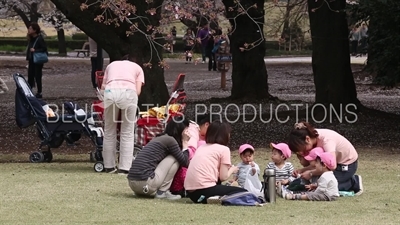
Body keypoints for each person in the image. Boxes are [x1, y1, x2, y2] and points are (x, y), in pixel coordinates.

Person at [287, 122, 363, 195]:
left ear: (307, 139)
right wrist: (302, 170)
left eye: (303, 149)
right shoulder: (311, 137)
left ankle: (353, 182)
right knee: (307, 184)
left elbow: (331, 166)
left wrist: (311, 173)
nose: (302, 153)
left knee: (327, 186)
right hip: (330, 164)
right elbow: (319, 164)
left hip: (346, 164)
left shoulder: (327, 141)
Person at [100, 54, 145, 174]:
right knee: (127, 131)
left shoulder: (111, 65)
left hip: (110, 93)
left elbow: (103, 87)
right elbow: (138, 90)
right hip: (129, 93)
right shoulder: (138, 68)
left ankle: (109, 166)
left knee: (109, 130)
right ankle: (124, 168)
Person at [184, 121, 248, 204]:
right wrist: (232, 169)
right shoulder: (224, 149)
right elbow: (223, 177)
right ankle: (216, 197)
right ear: (225, 135)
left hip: (192, 194)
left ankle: (215, 197)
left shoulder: (201, 147)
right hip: (204, 190)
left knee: (223, 188)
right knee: (243, 192)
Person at [127, 117, 190, 200]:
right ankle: (162, 192)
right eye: (187, 130)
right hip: (145, 184)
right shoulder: (170, 141)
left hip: (132, 184)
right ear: (180, 131)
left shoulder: (160, 138)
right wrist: (185, 143)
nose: (188, 133)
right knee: (175, 158)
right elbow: (185, 162)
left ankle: (158, 191)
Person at [170, 113, 220, 196]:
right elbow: (189, 151)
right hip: (184, 164)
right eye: (214, 130)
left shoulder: (201, 133)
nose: (214, 133)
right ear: (207, 124)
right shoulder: (193, 131)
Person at [26, 22, 47, 99]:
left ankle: (39, 92)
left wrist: (35, 50)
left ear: (35, 30)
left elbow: (44, 48)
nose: (29, 30)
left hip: (37, 60)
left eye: (30, 28)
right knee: (30, 75)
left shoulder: (39, 39)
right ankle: (29, 91)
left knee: (37, 76)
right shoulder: (31, 39)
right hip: (32, 59)